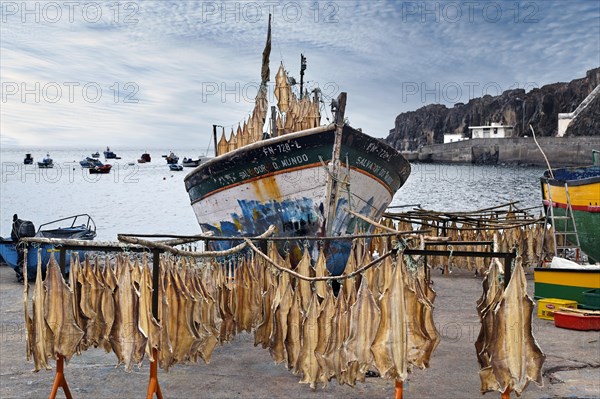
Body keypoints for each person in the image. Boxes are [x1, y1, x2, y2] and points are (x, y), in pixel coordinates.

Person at [11, 214, 25, 283]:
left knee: (20, 261)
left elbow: (13, 237)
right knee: (22, 261)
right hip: (24, 245)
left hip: (19, 246)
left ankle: (20, 277)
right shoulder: (20, 225)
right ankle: (21, 276)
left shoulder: (14, 226)